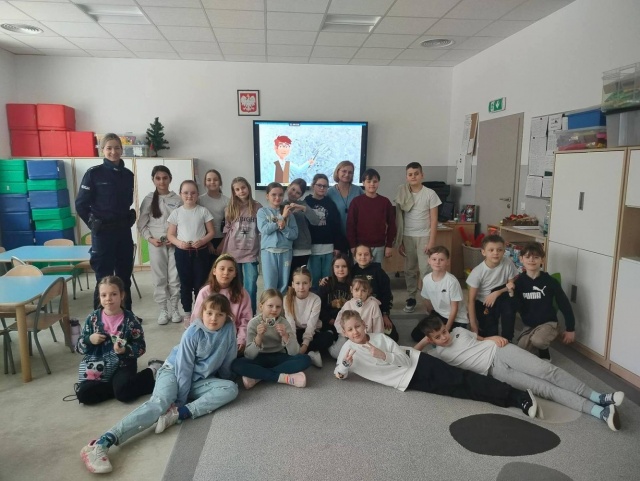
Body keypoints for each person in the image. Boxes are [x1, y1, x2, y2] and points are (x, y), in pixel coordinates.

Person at [79, 293, 239, 474]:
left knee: (230, 388)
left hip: (200, 379)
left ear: (227, 316)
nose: (214, 318)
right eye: (209, 313)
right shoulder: (193, 332)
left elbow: (228, 356)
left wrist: (226, 378)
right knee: (160, 403)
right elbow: (184, 369)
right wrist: (179, 400)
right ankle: (102, 442)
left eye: (219, 314)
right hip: (174, 372)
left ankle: (179, 414)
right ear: (202, 313)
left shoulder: (228, 328)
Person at [415, 315, 624, 431]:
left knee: (546, 370)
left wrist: (493, 338)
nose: (444, 337)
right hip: (495, 371)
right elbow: (413, 355)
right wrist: (425, 341)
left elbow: (481, 340)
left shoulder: (459, 331)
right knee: (544, 389)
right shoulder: (439, 355)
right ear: (431, 340)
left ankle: (598, 396)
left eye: (444, 330)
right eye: (438, 337)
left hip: (500, 351)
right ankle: (598, 411)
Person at [334, 311, 539, 418]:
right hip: (408, 382)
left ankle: (519, 396)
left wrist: (383, 355)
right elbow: (339, 373)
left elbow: (404, 360)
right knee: (461, 392)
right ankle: (510, 400)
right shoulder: (347, 349)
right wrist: (344, 365)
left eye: (357, 326)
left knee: (463, 379)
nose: (355, 332)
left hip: (418, 363)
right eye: (350, 329)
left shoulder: (380, 339)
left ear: (364, 324)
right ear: (344, 332)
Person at [76, 276, 159, 405]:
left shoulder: (131, 320)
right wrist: (89, 339)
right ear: (99, 297)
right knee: (83, 395)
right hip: (98, 365)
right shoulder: (92, 318)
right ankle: (119, 387)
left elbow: (141, 347)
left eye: (113, 294)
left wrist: (125, 350)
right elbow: (79, 347)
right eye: (104, 295)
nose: (108, 299)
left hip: (123, 365)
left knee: (124, 394)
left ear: (122, 295)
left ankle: (152, 370)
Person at [76, 133, 136, 311]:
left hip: (123, 232)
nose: (113, 152)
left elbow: (127, 202)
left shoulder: (128, 175)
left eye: (117, 148)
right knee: (103, 279)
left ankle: (127, 316)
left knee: (124, 277)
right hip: (103, 234)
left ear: (122, 149)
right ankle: (100, 319)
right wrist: (92, 224)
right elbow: (81, 204)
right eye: (109, 148)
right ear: (102, 150)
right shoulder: (93, 174)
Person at [507, 242, 576, 360]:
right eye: (527, 257)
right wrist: (511, 293)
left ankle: (544, 351)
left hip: (549, 323)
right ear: (521, 259)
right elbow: (515, 307)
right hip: (530, 325)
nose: (531, 260)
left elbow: (564, 304)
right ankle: (535, 340)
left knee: (538, 341)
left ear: (542, 260)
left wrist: (570, 329)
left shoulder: (550, 281)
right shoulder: (519, 282)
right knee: (521, 350)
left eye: (536, 257)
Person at [231, 289, 311, 389]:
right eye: (270, 306)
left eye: (278, 307)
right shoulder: (253, 323)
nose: (274, 310)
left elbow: (295, 352)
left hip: (279, 356)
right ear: (261, 307)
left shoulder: (284, 323)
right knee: (236, 364)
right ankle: (281, 377)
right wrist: (259, 337)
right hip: (259, 357)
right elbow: (249, 355)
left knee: (305, 359)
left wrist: (285, 336)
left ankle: (259, 377)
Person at [137, 165, 182, 325]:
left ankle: (175, 308)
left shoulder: (178, 199)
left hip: (174, 244)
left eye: (165, 178)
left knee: (174, 277)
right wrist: (150, 239)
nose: (162, 181)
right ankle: (163, 309)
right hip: (156, 244)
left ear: (170, 179)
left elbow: (183, 222)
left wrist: (176, 238)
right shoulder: (149, 199)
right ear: (153, 180)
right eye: (158, 178)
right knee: (159, 278)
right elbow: (141, 224)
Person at [394, 162, 441, 314]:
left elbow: (434, 219)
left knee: (425, 269)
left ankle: (430, 299)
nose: (413, 176)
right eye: (410, 174)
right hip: (407, 236)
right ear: (406, 177)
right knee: (410, 269)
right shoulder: (403, 192)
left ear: (422, 175)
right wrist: (400, 240)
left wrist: (431, 241)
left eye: (416, 174)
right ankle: (411, 297)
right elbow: (399, 218)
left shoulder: (430, 194)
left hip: (424, 236)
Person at [167, 180, 215, 324]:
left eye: (193, 192)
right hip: (182, 254)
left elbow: (211, 232)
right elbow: (170, 235)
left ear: (198, 194)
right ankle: (187, 312)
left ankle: (199, 311)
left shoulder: (203, 211)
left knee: (200, 283)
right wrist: (179, 243)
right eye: (186, 193)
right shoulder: (176, 213)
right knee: (185, 284)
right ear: (180, 194)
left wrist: (202, 241)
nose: (189, 195)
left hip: (201, 253)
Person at [410, 246, 476, 342]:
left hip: (456, 318)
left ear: (447, 262)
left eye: (441, 260)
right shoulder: (427, 279)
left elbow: (454, 308)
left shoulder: (451, 281)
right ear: (429, 261)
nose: (437, 262)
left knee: (452, 341)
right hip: (439, 315)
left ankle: (461, 331)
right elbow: (427, 300)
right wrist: (431, 318)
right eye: (434, 259)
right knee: (416, 335)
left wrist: (446, 328)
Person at [191, 254, 252, 354]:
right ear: (214, 271)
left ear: (235, 274)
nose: (226, 273)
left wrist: (241, 339)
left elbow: (245, 320)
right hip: (208, 338)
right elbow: (196, 319)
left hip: (232, 339)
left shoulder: (242, 294)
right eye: (222, 269)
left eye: (230, 270)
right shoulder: (205, 292)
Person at [467, 235, 518, 342]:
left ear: (504, 251)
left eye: (499, 250)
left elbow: (511, 285)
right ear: (483, 252)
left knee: (509, 313)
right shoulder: (477, 272)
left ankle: (508, 340)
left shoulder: (508, 262)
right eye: (491, 250)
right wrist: (473, 324)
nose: (496, 253)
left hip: (502, 296)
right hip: (484, 302)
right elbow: (471, 300)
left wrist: (497, 293)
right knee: (489, 332)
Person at [221, 177, 262, 314]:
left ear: (248, 188)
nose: (241, 191)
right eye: (237, 189)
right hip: (233, 252)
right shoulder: (230, 208)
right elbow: (227, 230)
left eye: (243, 188)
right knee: (236, 285)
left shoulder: (257, 207)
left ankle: (250, 314)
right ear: (234, 192)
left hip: (251, 252)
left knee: (251, 286)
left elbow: (261, 229)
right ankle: (236, 313)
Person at [284, 266, 334, 368]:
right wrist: (293, 343)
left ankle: (305, 351)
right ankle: (311, 352)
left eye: (305, 283)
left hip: (312, 331)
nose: (301, 287)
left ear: (310, 284)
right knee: (281, 339)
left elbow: (312, 324)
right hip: (295, 331)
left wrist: (305, 345)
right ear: (293, 284)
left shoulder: (316, 299)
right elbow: (290, 323)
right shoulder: (287, 299)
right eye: (298, 283)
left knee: (328, 337)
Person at [346, 168, 396, 264]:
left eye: (375, 181)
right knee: (360, 272)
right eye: (368, 181)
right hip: (360, 247)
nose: (372, 184)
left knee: (376, 271)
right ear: (363, 183)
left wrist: (389, 245)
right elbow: (350, 225)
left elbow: (392, 225)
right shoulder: (356, 202)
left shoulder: (385, 202)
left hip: (379, 246)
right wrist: (352, 246)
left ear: (378, 183)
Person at [304, 174, 345, 288]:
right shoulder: (306, 202)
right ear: (313, 185)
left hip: (328, 248)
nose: (322, 188)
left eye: (325, 186)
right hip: (312, 248)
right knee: (314, 279)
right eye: (319, 185)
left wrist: (337, 246)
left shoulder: (330, 204)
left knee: (328, 279)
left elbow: (336, 226)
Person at [257, 182, 298, 293]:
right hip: (268, 252)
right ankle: (270, 304)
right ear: (267, 196)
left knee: (283, 286)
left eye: (280, 195)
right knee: (270, 286)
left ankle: (282, 305)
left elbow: (294, 234)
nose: (277, 198)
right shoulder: (262, 212)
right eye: (273, 195)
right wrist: (282, 217)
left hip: (285, 252)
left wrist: (284, 227)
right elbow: (264, 229)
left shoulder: (289, 213)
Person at [352, 244, 398, 341]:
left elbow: (386, 294)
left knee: (392, 337)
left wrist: (385, 314)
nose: (363, 257)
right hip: (356, 311)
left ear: (371, 257)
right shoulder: (351, 272)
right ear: (354, 257)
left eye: (366, 254)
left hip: (376, 310)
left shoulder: (379, 271)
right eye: (359, 254)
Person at [329, 276, 384, 358]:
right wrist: (346, 334)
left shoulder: (373, 305)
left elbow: (378, 326)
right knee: (337, 354)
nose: (360, 294)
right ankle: (331, 344)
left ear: (368, 291)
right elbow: (339, 321)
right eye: (356, 290)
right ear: (351, 290)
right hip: (349, 337)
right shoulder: (348, 304)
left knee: (368, 355)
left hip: (367, 336)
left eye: (363, 291)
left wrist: (375, 340)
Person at [283, 178, 321, 285]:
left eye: (298, 192)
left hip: (302, 248)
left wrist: (303, 208)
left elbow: (316, 221)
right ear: (288, 187)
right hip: (285, 248)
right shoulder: (281, 204)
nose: (294, 193)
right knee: (288, 280)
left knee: (300, 279)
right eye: (293, 189)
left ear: (301, 195)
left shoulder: (303, 205)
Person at [198, 169, 229, 269]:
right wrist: (208, 243)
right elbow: (199, 223)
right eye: (209, 180)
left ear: (220, 182)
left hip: (223, 239)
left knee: (221, 269)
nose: (212, 182)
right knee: (207, 270)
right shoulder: (200, 200)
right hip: (204, 239)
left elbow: (230, 224)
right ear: (205, 182)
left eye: (215, 179)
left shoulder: (227, 200)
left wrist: (222, 243)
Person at [326, 160, 363, 241]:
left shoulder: (358, 190)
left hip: (357, 236)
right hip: (337, 237)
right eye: (344, 171)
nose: (347, 174)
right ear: (337, 172)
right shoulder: (329, 193)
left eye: (350, 172)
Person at [318, 253, 352, 340]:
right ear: (332, 268)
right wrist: (329, 320)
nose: (340, 269)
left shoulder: (353, 285)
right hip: (329, 323)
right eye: (337, 266)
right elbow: (319, 305)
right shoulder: (326, 283)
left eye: (344, 266)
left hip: (347, 323)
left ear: (349, 267)